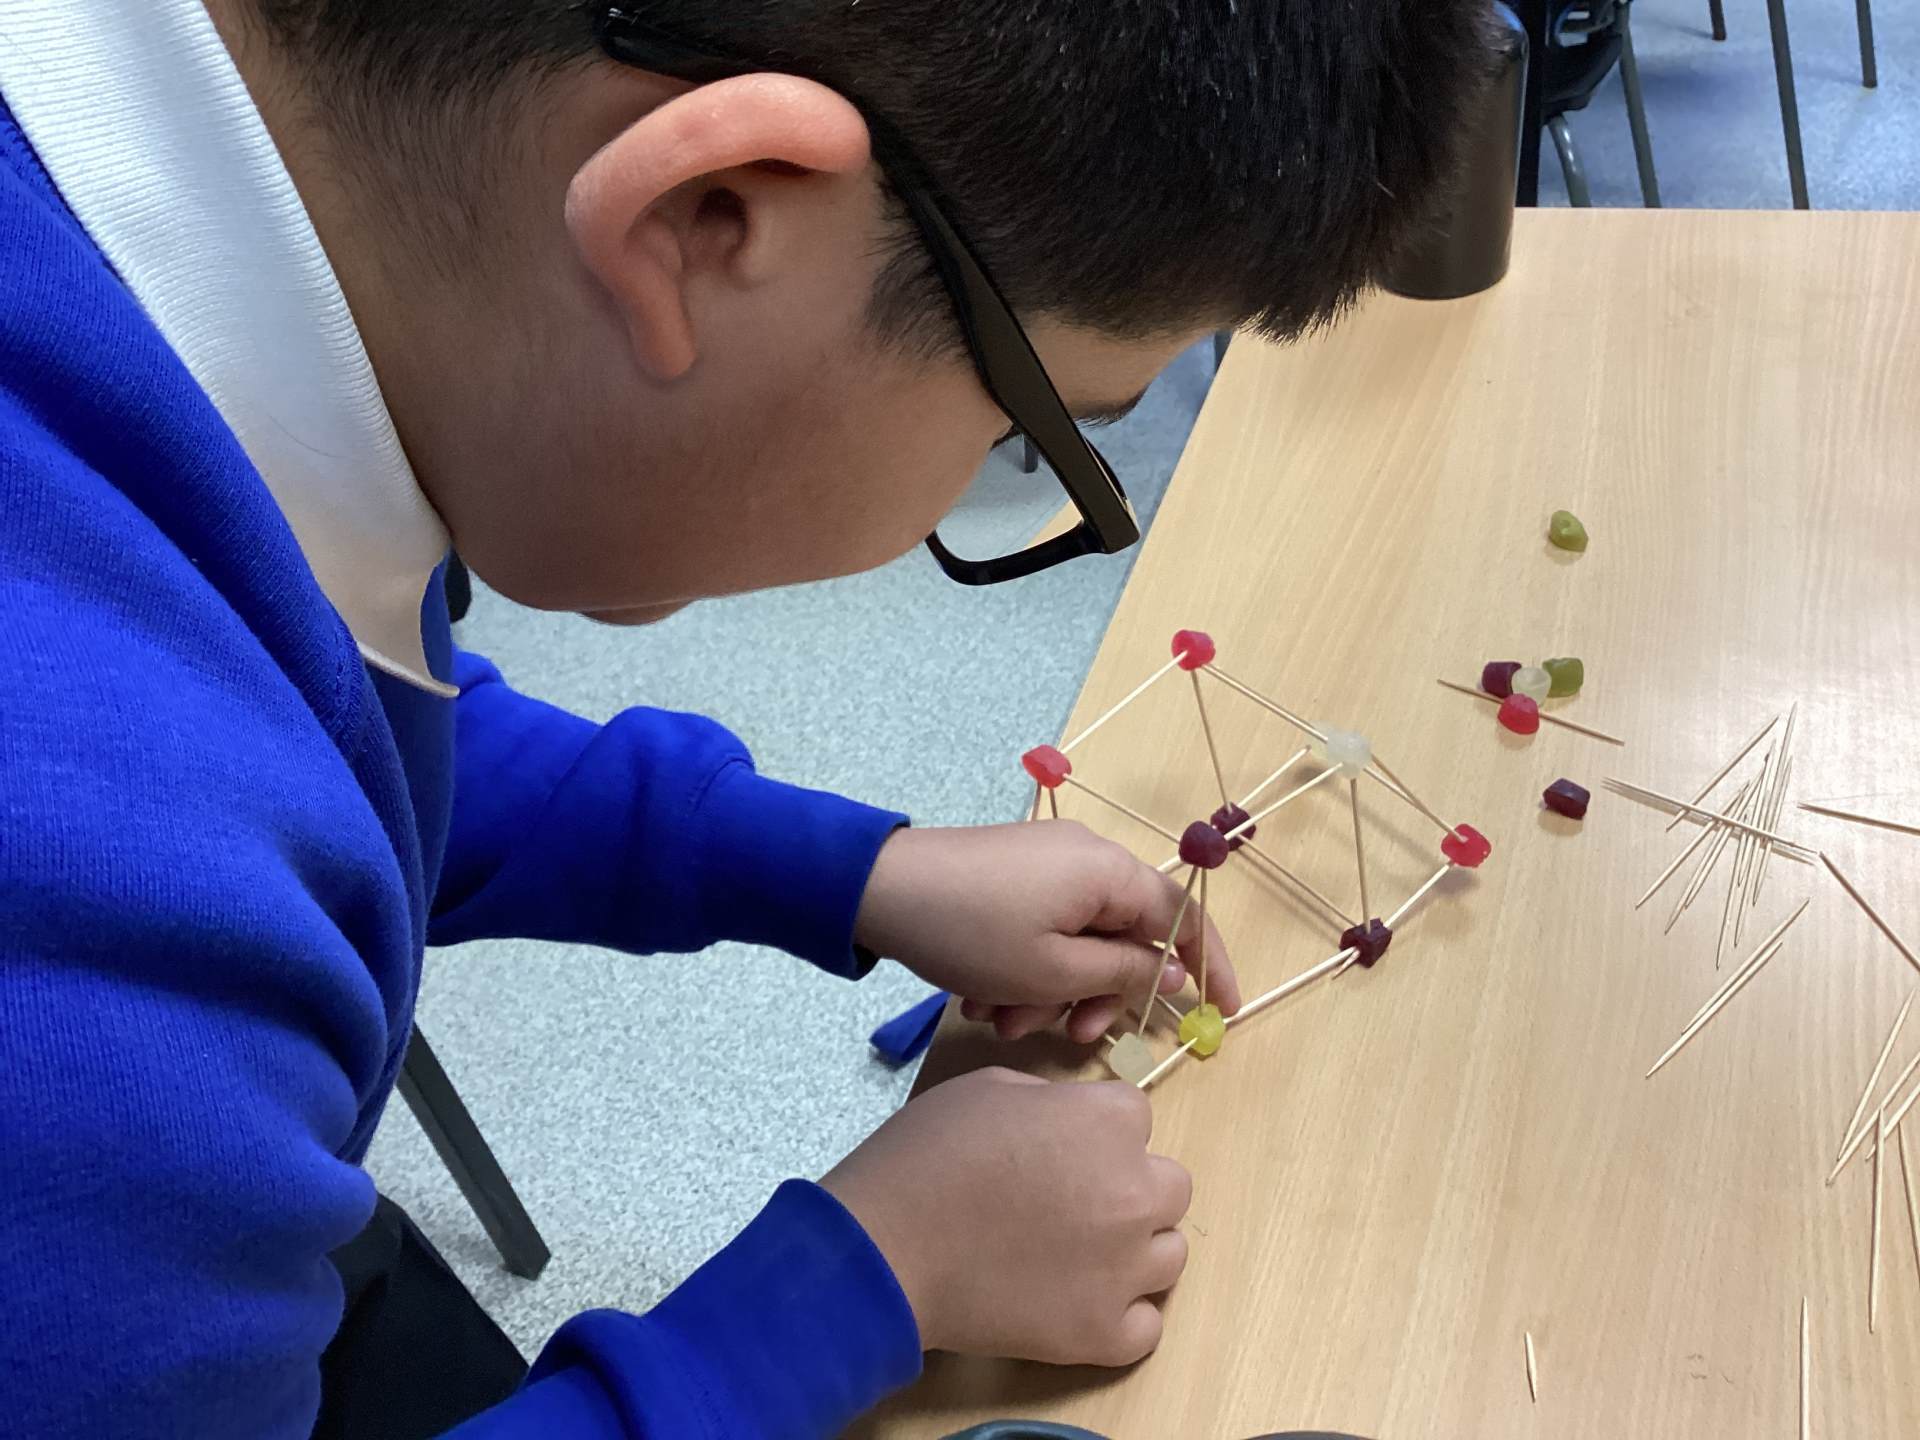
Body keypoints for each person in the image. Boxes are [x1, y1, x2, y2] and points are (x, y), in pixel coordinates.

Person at [0, 0, 1485, 1435]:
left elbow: (342, 743)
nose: (994, 469)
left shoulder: (207, 346)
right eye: (1024, 431)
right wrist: (871, 1278)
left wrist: (845, 870)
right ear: (704, 219)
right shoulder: (93, 994)